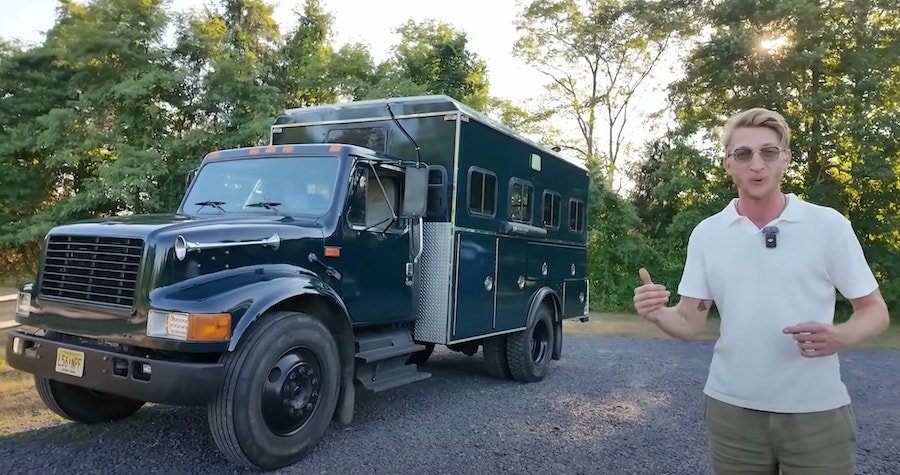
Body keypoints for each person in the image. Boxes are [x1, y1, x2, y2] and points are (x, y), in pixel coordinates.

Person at [632, 107, 890, 475]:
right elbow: (690, 322)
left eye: (768, 152)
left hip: (815, 413)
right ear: (728, 164)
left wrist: (840, 335)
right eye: (744, 154)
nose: (757, 164)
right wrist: (658, 311)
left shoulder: (827, 225)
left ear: (785, 159)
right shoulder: (708, 234)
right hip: (732, 413)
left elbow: (874, 309)